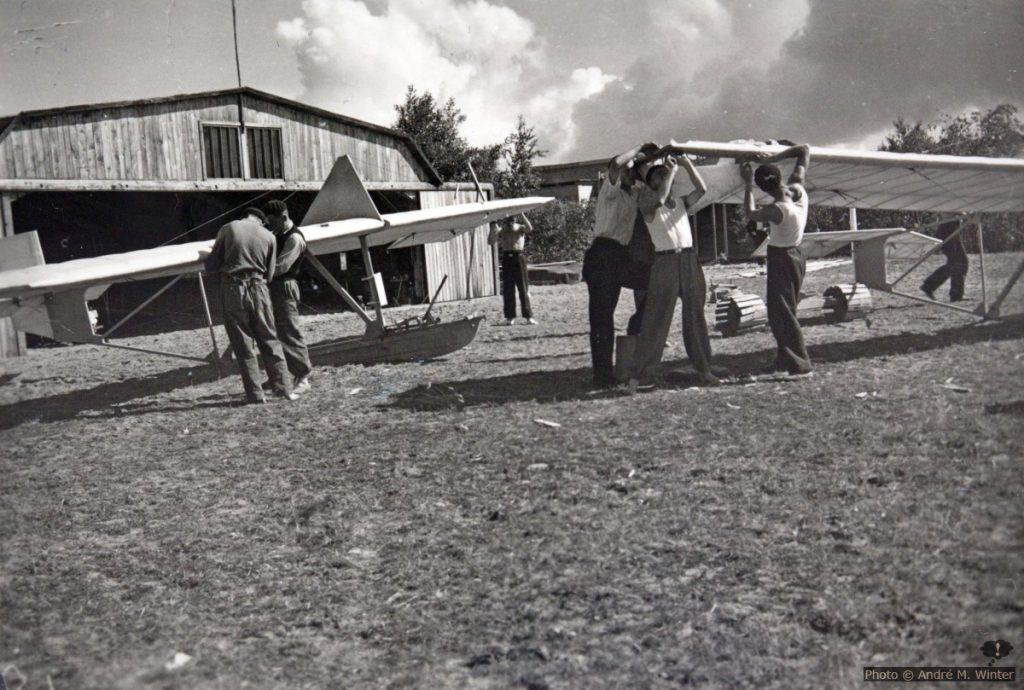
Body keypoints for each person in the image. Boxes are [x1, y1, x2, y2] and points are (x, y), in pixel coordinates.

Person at [627, 155, 718, 392]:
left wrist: (686, 164)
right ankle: (639, 376)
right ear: (652, 184)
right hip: (664, 262)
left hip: (688, 259)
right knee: (656, 319)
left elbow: (702, 189)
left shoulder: (680, 202)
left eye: (664, 173)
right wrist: (672, 171)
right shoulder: (647, 204)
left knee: (695, 316)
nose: (664, 175)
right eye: (659, 175)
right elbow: (659, 199)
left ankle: (704, 369)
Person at [582, 142, 660, 387]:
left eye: (631, 170)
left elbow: (655, 187)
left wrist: (651, 159)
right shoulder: (610, 189)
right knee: (602, 318)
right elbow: (616, 163)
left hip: (620, 256)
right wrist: (640, 147)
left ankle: (636, 323)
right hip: (602, 254)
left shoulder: (634, 193)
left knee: (657, 282)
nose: (630, 173)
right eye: (627, 170)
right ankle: (602, 376)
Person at [203, 208, 296, 404]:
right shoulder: (269, 237)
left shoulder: (229, 228)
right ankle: (285, 389)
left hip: (233, 290)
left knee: (243, 344)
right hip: (259, 289)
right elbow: (270, 274)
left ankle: (256, 395)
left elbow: (211, 265)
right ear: (260, 221)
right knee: (270, 339)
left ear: (245, 216)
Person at [740, 144, 813, 378]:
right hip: (797, 254)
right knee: (785, 310)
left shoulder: (776, 209)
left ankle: (801, 365)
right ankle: (784, 361)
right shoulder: (797, 188)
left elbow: (750, 213)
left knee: (782, 313)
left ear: (765, 189)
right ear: (780, 177)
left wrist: (747, 183)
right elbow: (804, 150)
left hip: (782, 258)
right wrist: (771, 158)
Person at [263, 200, 313, 394]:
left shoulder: (294, 238)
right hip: (273, 285)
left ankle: (303, 377)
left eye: (273, 222)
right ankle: (282, 376)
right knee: (276, 332)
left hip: (284, 285)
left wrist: (258, 271)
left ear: (283, 217)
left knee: (290, 332)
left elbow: (281, 266)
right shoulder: (278, 234)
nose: (270, 226)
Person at [488, 214, 536, 325]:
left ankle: (528, 316)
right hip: (507, 258)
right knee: (508, 289)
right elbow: (490, 241)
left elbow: (530, 228)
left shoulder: (520, 227)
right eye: (508, 217)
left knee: (523, 288)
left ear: (515, 218)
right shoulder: (501, 230)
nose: (510, 219)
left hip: (518, 257)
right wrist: (492, 228)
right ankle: (510, 317)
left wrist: (522, 213)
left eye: (512, 217)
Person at [921, 217, 968, 302]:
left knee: (958, 262)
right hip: (948, 227)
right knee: (959, 262)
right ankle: (930, 286)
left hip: (951, 227)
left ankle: (956, 294)